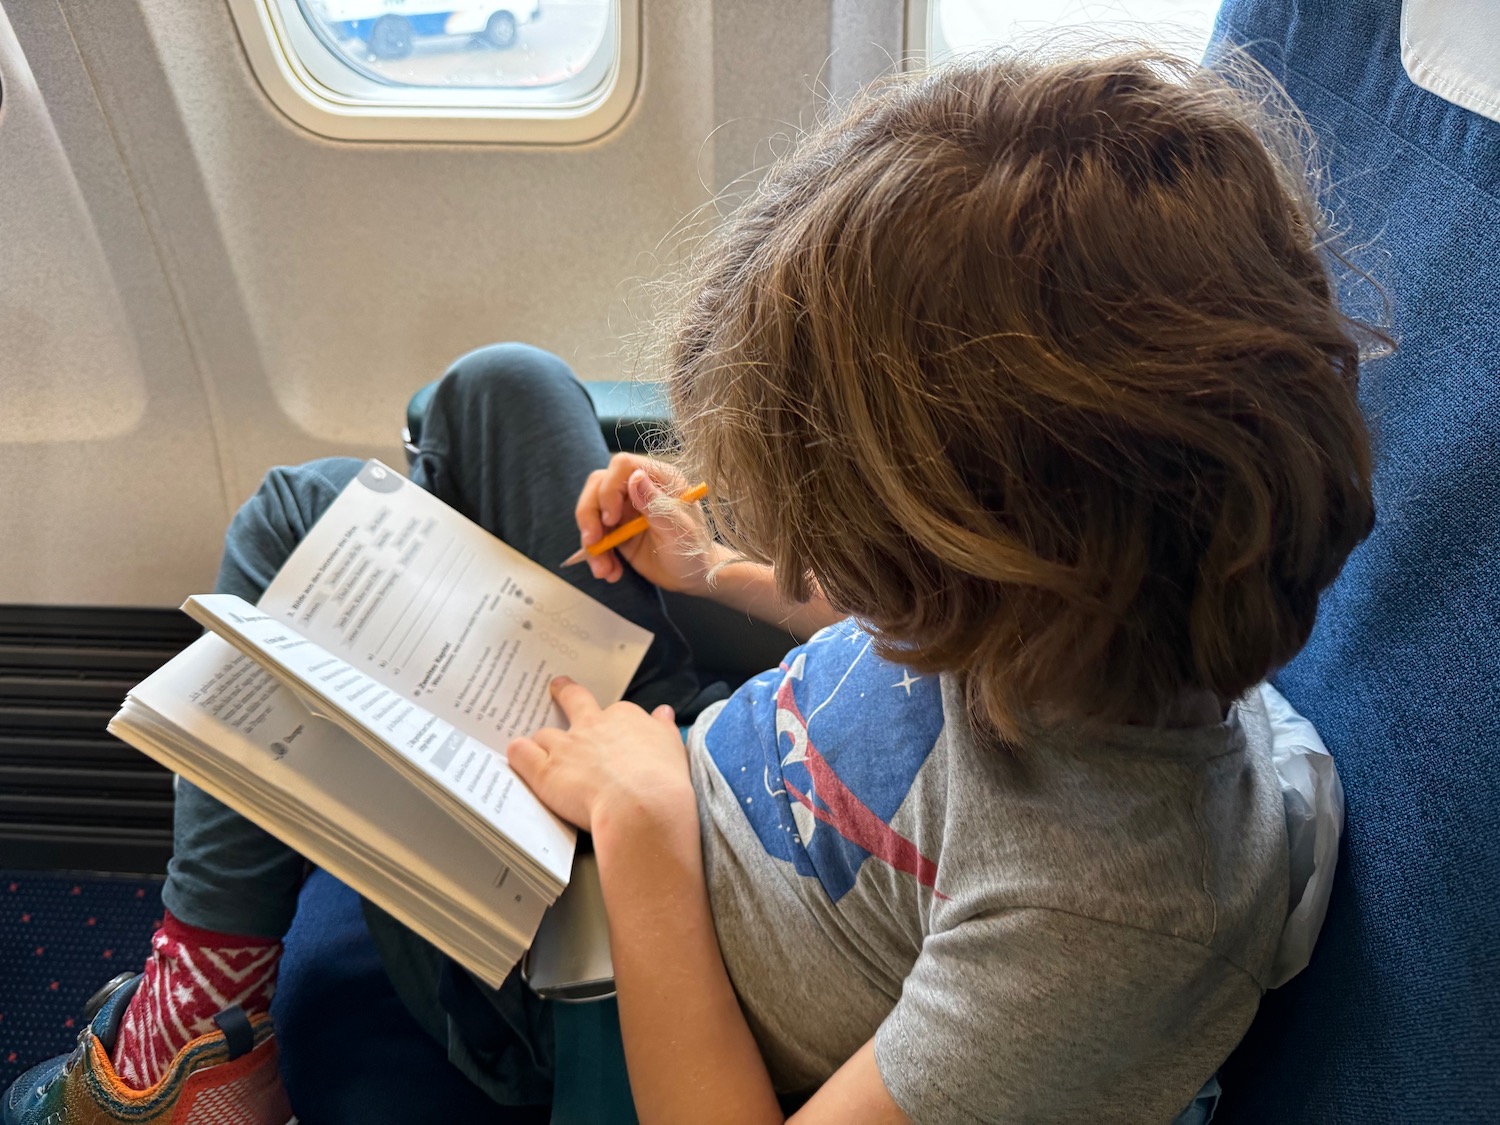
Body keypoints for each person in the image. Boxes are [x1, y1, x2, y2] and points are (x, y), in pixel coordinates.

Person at [5, 48, 1377, 1124]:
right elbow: (918, 637)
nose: (802, 559)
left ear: (989, 562)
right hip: (696, 751)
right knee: (505, 393)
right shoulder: (1093, 604)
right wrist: (710, 569)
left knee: (300, 530)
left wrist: (645, 824)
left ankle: (198, 1042)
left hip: (605, 951)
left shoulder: (1107, 916)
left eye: (844, 543)